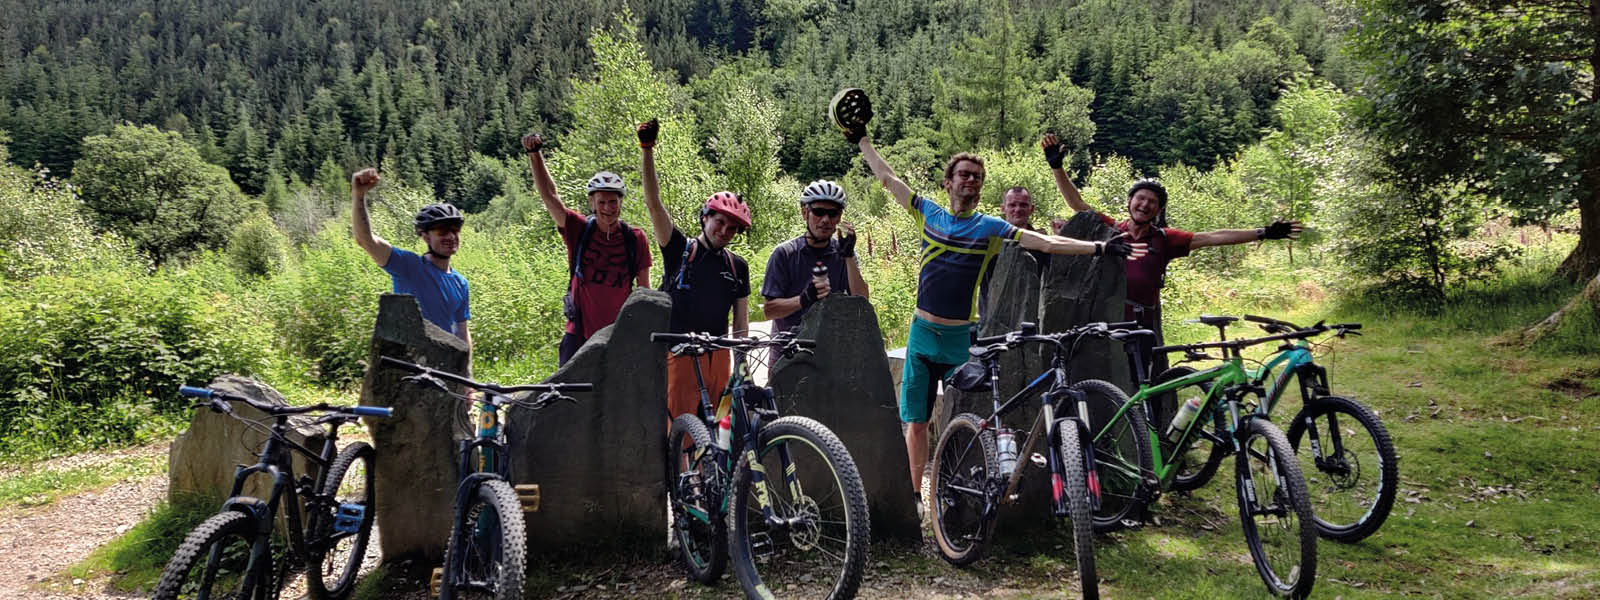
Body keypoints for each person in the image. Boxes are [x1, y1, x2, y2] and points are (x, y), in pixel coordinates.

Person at [829, 88, 1147, 504]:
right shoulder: (928, 213)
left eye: (977, 177)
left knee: (969, 420)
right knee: (918, 422)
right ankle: (913, 497)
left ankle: (956, 496)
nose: (971, 181)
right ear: (948, 182)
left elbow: (1044, 243)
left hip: (962, 338)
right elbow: (888, 179)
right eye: (964, 174)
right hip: (923, 335)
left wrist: (1100, 247)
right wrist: (862, 140)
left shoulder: (990, 227)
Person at [1041, 132, 1302, 420]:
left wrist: (1264, 232)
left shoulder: (1166, 239)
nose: (1145, 205)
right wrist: (1056, 167)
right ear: (1130, 201)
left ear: (1159, 209)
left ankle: (1153, 440)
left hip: (1143, 323)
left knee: (1146, 385)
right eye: (1140, 198)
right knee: (1105, 381)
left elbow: (1214, 237)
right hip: (1106, 321)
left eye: (1152, 202)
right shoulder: (1111, 230)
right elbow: (1078, 205)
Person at [637, 119, 753, 425]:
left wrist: (742, 364)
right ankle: (682, 474)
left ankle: (714, 475)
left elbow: (740, 321)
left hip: (720, 359)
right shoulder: (679, 249)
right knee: (680, 432)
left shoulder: (737, 266)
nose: (725, 230)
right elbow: (653, 204)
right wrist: (647, 150)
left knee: (722, 430)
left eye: (732, 228)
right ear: (705, 218)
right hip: (680, 355)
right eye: (720, 222)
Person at [523, 131, 652, 365]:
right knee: (568, 396)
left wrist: (641, 332)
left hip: (618, 334)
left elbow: (644, 290)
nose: (607, 208)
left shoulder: (635, 238)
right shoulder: (579, 230)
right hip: (578, 333)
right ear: (591, 202)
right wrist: (535, 154)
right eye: (601, 201)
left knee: (614, 400)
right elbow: (550, 196)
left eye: (613, 201)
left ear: (621, 202)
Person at [350, 168, 474, 368]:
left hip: (447, 370)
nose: (451, 237)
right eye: (442, 231)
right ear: (426, 236)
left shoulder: (460, 282)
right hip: (411, 366)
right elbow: (365, 240)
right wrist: (359, 196)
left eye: (455, 230)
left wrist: (467, 377)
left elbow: (462, 332)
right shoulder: (409, 266)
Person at [760, 180, 870, 333]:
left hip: (828, 347)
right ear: (805, 213)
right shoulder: (784, 254)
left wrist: (849, 256)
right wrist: (803, 299)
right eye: (818, 212)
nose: (825, 220)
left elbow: (862, 301)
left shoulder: (843, 254)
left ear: (839, 218)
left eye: (832, 214)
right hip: (788, 350)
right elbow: (769, 311)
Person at [976, 186, 1054, 319]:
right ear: (1003, 208)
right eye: (1012, 205)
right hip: (990, 319)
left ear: (1032, 209)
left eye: (1023, 205)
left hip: (1028, 320)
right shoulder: (988, 239)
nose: (1017, 209)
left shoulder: (1042, 244)